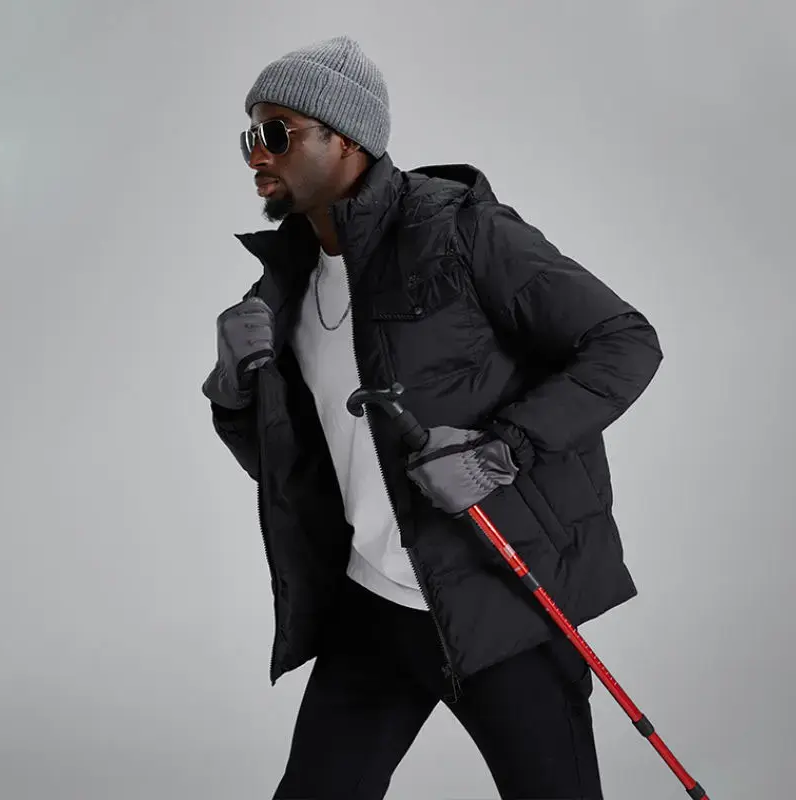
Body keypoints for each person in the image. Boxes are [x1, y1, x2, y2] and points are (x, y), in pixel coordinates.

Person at [202, 34, 663, 800]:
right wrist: (233, 389)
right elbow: (289, 467)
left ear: (344, 138)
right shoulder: (284, 283)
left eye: (276, 132)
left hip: (497, 603)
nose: (257, 154)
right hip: (372, 605)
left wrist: (499, 451)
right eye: (250, 136)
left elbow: (624, 341)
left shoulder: (459, 230)